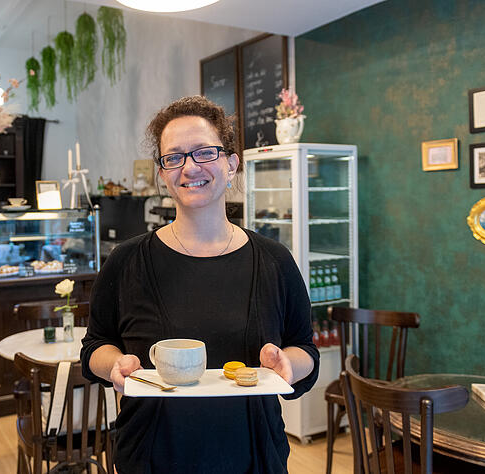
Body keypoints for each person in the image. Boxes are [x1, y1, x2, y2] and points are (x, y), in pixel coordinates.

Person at [81, 96, 319, 473]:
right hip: (150, 456)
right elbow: (95, 345)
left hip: (254, 456)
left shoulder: (274, 261)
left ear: (231, 163)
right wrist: (116, 364)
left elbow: (305, 348)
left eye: (204, 152)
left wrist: (287, 363)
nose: (189, 167)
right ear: (162, 174)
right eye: (173, 157)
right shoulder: (126, 261)